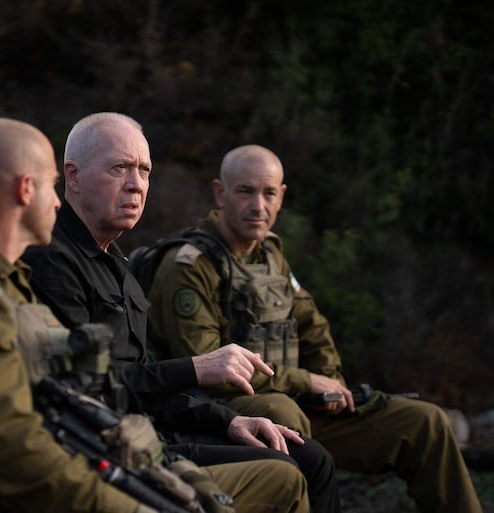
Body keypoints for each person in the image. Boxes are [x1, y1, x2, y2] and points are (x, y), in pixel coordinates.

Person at [0, 119, 311, 513]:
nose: (58, 202)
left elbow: (78, 397)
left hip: (105, 451)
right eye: (54, 186)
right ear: (24, 189)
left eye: (145, 171)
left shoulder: (5, 284)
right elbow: (15, 453)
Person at [23, 113, 341, 513]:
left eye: (144, 171)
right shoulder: (53, 261)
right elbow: (83, 391)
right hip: (112, 447)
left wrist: (226, 422)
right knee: (286, 470)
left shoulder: (116, 262)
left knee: (311, 458)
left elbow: (145, 382)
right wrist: (194, 368)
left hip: (150, 429)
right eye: (119, 168)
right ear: (72, 175)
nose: (136, 185)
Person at [145, 144, 483, 513]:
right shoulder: (187, 267)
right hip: (226, 417)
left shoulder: (271, 254)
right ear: (220, 193)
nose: (258, 206)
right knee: (280, 411)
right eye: (245, 191)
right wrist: (307, 383)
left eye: (269, 193)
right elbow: (205, 366)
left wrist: (331, 384)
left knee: (425, 422)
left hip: (299, 406)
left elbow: (311, 324)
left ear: (282, 197)